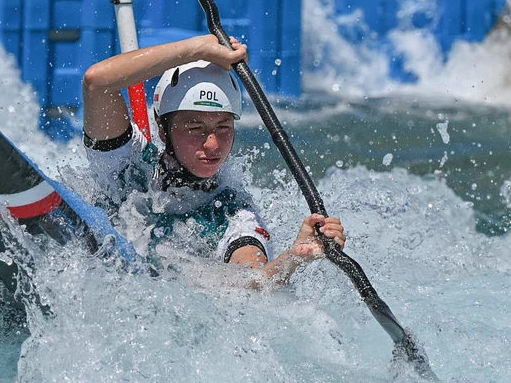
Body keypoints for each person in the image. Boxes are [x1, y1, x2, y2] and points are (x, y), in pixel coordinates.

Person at [82, 34, 345, 280]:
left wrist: (295, 257)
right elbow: (97, 82)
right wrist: (196, 48)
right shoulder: (128, 163)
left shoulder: (234, 211)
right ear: (163, 129)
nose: (212, 144)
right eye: (195, 128)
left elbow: (254, 282)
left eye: (223, 127)